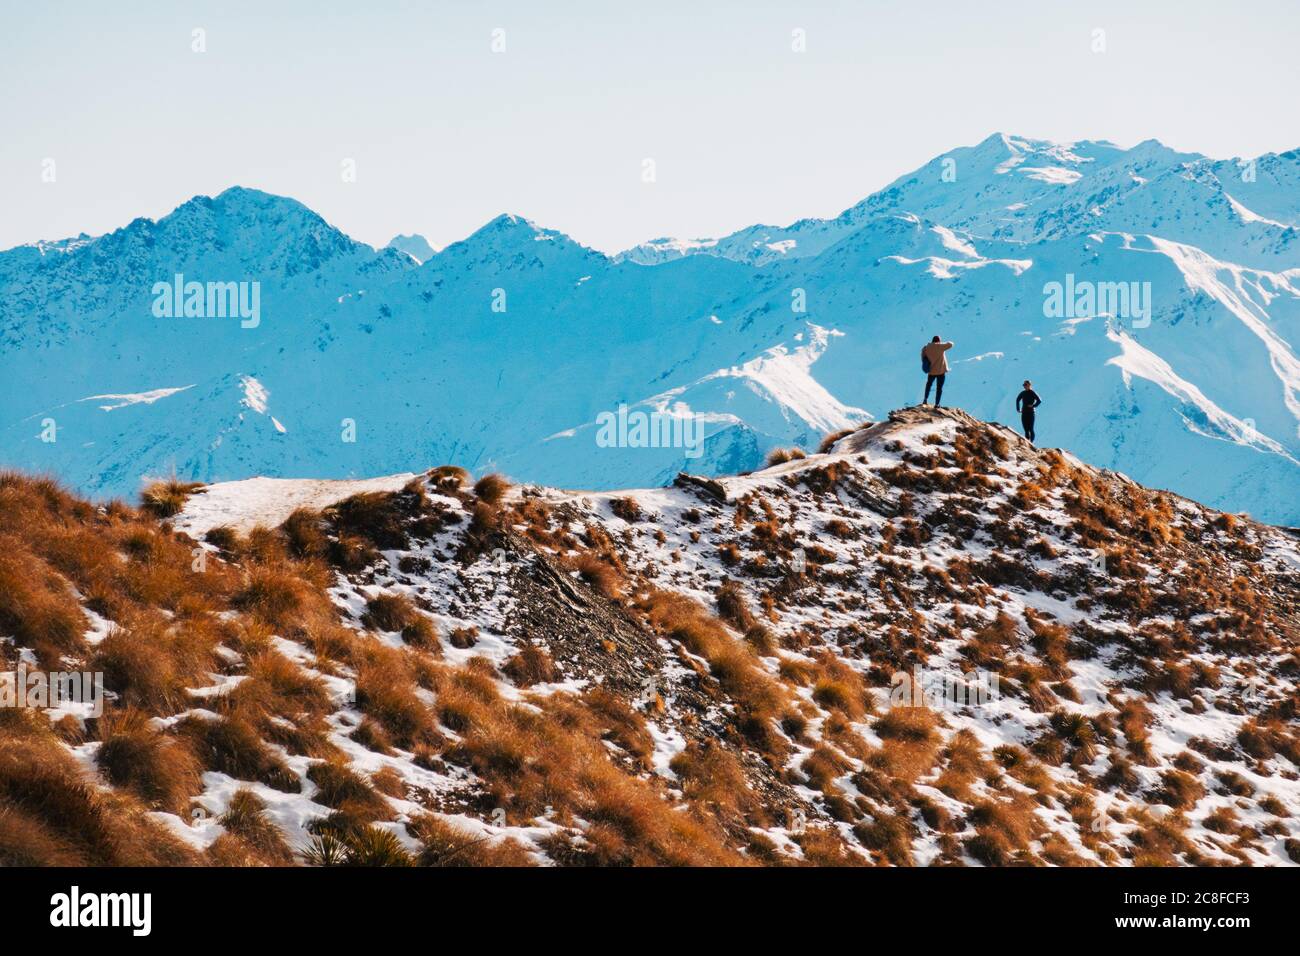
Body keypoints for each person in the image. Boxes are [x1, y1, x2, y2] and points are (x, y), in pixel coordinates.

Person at [921, 335, 954, 406]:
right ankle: (937, 404)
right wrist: (941, 344)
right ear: (938, 341)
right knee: (939, 388)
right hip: (941, 371)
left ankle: (925, 399)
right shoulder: (940, 347)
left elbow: (923, 358)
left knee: (928, 385)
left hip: (931, 371)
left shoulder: (926, 348)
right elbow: (951, 344)